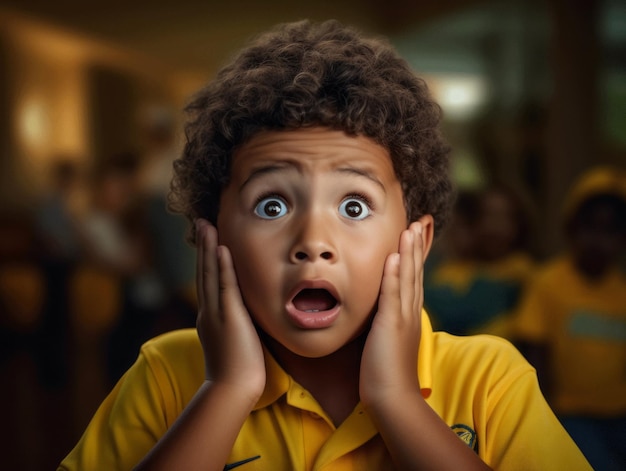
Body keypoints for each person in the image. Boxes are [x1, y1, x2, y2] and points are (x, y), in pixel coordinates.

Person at [58, 20, 591, 470]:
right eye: (273, 206)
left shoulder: (488, 380)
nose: (313, 243)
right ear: (210, 236)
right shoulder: (167, 374)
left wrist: (398, 402)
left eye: (353, 207)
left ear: (418, 240)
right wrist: (224, 391)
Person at [513, 167, 626, 471]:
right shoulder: (547, 283)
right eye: (590, 228)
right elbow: (535, 352)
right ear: (572, 229)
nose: (599, 241)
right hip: (568, 412)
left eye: (612, 231)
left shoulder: (622, 290)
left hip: (618, 413)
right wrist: (544, 418)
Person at [425, 183, 535, 338]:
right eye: (488, 216)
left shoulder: (526, 275)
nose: (495, 227)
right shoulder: (450, 272)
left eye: (505, 217)